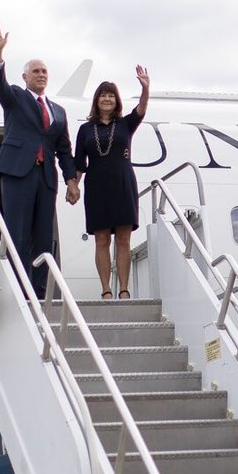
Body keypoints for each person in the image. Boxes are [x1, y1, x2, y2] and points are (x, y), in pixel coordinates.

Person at [0, 23, 80, 299]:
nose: (41, 75)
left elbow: (64, 149)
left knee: (43, 237)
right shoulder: (15, 97)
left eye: (44, 72)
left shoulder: (58, 111)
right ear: (25, 76)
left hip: (45, 178)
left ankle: (41, 291)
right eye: (36, 71)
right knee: (18, 232)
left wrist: (71, 181)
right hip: (18, 173)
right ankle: (20, 287)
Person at [73, 66, 150, 299]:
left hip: (122, 183)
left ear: (117, 101)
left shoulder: (126, 124)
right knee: (102, 240)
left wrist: (146, 88)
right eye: (103, 95)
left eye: (111, 95)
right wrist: (73, 185)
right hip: (97, 186)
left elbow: (142, 109)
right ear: (96, 100)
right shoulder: (85, 129)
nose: (107, 99)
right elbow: (79, 162)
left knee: (124, 239)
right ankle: (106, 290)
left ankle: (124, 290)